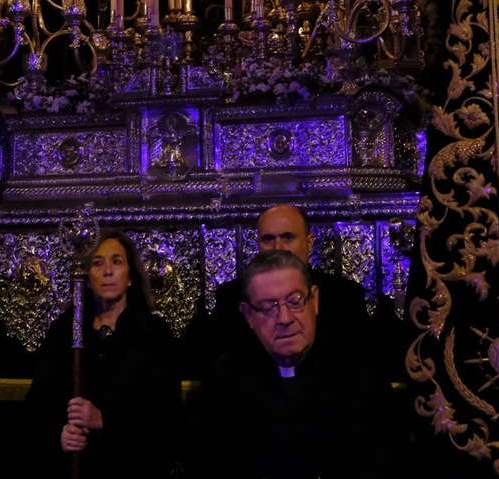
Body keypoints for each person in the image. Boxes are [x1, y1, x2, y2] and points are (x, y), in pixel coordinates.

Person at [185, 249, 405, 479]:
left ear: (315, 300)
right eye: (269, 306)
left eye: (295, 301)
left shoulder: (362, 377)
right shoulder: (224, 382)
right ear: (249, 315)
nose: (285, 318)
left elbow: (387, 464)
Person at [28, 230, 182, 477]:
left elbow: (165, 412)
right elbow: (39, 403)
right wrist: (59, 434)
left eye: (117, 262)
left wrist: (104, 420)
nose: (107, 271)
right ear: (87, 277)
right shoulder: (65, 331)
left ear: (130, 276)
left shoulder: (153, 334)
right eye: (98, 263)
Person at [200, 203, 398, 374]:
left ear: (309, 242)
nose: (278, 247)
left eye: (288, 237)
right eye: (268, 239)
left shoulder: (344, 295)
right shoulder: (231, 296)